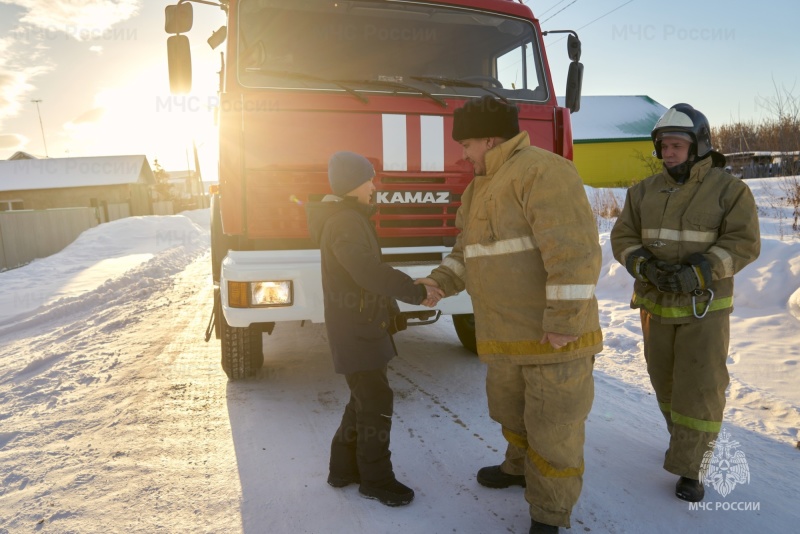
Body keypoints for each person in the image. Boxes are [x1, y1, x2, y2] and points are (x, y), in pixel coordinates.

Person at [417, 96, 603, 534]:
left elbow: (573, 255)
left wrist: (562, 322)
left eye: (466, 144)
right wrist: (441, 281)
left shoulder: (544, 171)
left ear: (489, 138)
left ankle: (549, 515)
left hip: (551, 341)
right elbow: (468, 253)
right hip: (506, 339)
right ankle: (518, 467)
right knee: (512, 415)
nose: (462, 153)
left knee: (554, 430)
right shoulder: (479, 186)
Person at [610, 103, 760, 502]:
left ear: (699, 147)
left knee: (700, 388)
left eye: (678, 145)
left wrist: (700, 270)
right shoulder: (642, 192)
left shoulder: (730, 191)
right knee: (667, 386)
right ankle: (683, 444)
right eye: (664, 146)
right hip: (655, 309)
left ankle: (692, 468)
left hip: (704, 310)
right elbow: (623, 239)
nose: (670, 153)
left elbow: (744, 244)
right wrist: (644, 266)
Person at [305, 150, 443, 507]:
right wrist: (414, 290)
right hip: (356, 328)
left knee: (364, 398)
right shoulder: (346, 221)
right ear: (354, 184)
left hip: (361, 323)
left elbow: (366, 274)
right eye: (370, 179)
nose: (375, 186)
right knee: (375, 401)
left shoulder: (348, 217)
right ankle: (376, 479)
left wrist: (394, 307)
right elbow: (366, 271)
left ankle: (343, 469)